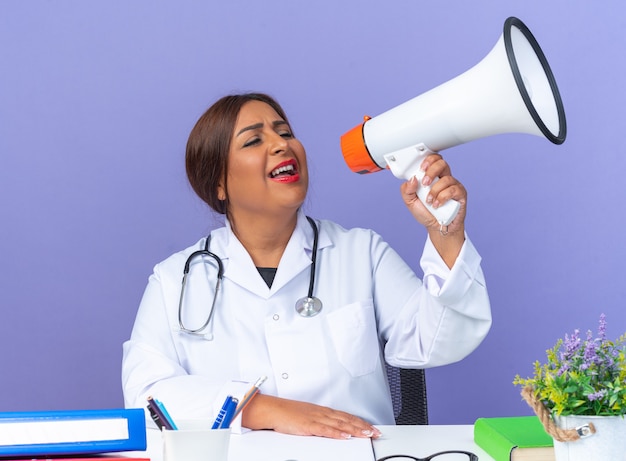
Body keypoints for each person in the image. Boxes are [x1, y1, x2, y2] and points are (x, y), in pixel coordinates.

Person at [121, 93, 491, 440]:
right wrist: (261, 408)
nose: (282, 144)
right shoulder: (174, 280)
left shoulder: (360, 252)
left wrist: (446, 232)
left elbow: (443, 341)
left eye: (285, 132)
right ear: (218, 183)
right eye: (253, 141)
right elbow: (145, 396)